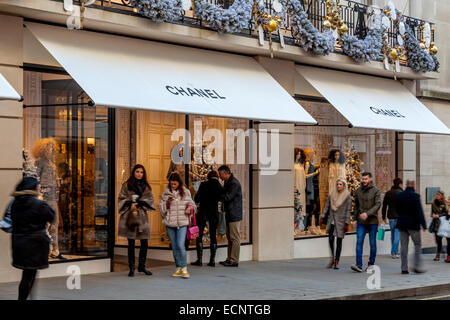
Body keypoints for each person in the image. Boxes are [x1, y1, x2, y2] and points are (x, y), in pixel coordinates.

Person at [9, 177, 55, 300]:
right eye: (37, 186)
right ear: (33, 188)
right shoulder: (38, 203)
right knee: (29, 275)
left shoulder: (15, 203)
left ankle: (26, 297)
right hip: (35, 244)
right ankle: (23, 298)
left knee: (28, 273)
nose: (39, 188)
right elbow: (51, 216)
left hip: (19, 242)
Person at [118, 164, 156, 277]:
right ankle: (131, 268)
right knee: (131, 242)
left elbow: (150, 200)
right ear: (133, 172)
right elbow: (121, 198)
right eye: (137, 171)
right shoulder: (126, 185)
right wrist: (130, 203)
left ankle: (142, 266)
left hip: (142, 217)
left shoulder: (146, 187)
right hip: (130, 216)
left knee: (144, 242)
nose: (139, 174)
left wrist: (142, 203)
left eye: (141, 172)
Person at [159, 172, 196, 278]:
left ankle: (184, 268)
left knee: (180, 245)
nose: (173, 186)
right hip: (170, 223)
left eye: (175, 184)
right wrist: (167, 204)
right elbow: (161, 210)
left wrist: (190, 209)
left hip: (182, 223)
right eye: (171, 184)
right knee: (174, 246)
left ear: (179, 183)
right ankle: (178, 267)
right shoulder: (166, 193)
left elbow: (193, 205)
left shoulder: (186, 192)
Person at [351, 172, 381, 273]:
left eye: (365, 179)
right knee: (359, 242)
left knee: (372, 243)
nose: (363, 181)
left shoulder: (376, 191)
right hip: (361, 222)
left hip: (372, 221)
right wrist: (354, 219)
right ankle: (358, 265)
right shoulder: (358, 191)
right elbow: (356, 207)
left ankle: (371, 264)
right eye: (362, 179)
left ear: (370, 179)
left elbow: (377, 205)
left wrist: (367, 214)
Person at [191, 170, 223, 267]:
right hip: (213, 213)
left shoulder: (203, 184)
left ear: (208, 176)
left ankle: (199, 260)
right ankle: (212, 260)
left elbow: (196, 199)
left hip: (203, 212)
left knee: (199, 235)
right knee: (213, 235)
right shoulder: (219, 186)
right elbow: (222, 199)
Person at [395, 179, 427, 274]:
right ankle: (416, 266)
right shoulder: (416, 196)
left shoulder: (399, 196)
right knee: (417, 244)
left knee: (404, 246)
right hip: (413, 225)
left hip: (402, 224)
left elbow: (397, 210)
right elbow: (419, 212)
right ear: (413, 186)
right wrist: (424, 225)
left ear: (406, 185)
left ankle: (404, 268)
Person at [320, 178, 351, 270]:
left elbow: (348, 210)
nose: (338, 186)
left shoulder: (347, 196)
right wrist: (322, 216)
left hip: (341, 221)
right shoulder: (332, 194)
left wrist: (346, 223)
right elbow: (327, 206)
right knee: (330, 239)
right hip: (332, 220)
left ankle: (337, 261)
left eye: (340, 184)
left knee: (339, 242)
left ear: (344, 185)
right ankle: (332, 259)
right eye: (337, 184)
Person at [218, 165, 243, 267]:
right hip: (230, 213)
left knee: (234, 237)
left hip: (234, 213)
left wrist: (218, 196)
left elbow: (228, 197)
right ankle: (229, 258)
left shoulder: (234, 183)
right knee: (229, 237)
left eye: (220, 174)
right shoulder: (228, 182)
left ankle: (234, 260)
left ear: (225, 173)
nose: (220, 177)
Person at [382, 177, 403, 259]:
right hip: (399, 217)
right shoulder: (401, 193)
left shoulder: (388, 193)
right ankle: (394, 252)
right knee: (397, 236)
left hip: (390, 216)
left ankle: (394, 252)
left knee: (393, 235)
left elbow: (384, 206)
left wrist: (383, 217)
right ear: (400, 184)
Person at [430, 191, 448, 261]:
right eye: (436, 194)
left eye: (438, 195)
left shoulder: (445, 203)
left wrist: (438, 215)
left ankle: (438, 255)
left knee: (444, 239)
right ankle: (440, 250)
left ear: (442, 196)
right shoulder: (433, 203)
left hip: (443, 223)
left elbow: (446, 213)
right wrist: (432, 215)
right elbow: (432, 212)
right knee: (437, 240)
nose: (437, 196)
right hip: (436, 224)